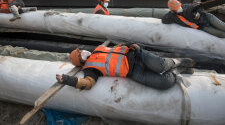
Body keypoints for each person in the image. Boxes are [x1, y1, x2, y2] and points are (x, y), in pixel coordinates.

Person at [56, 43, 194, 90]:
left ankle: (179, 62)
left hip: (136, 55)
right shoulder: (90, 69)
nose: (83, 51)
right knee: (165, 83)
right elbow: (87, 84)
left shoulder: (98, 48)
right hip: (133, 72)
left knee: (161, 65)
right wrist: (68, 80)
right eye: (79, 53)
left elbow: (115, 48)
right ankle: (177, 71)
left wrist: (127, 45)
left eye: (80, 50)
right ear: (80, 61)